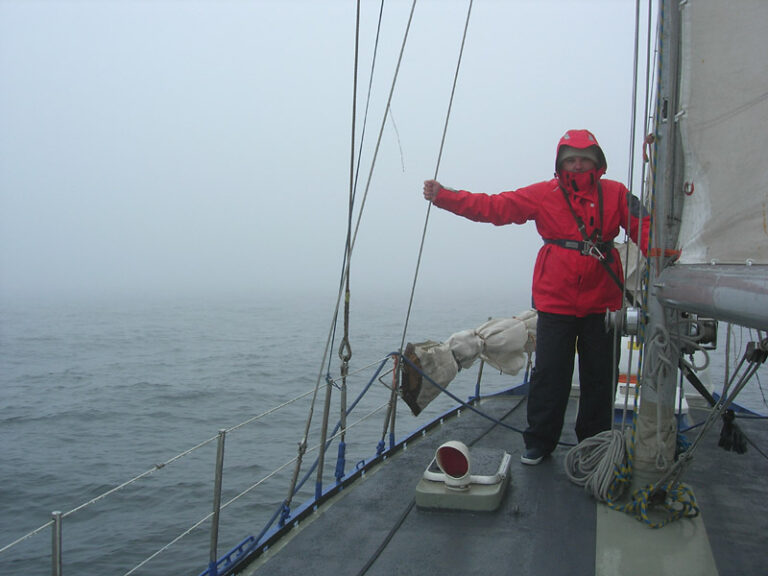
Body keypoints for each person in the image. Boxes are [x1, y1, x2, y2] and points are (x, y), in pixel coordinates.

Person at [422, 129, 650, 465]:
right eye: (570, 159)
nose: (577, 165)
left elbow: (646, 227)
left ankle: (595, 443)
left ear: (597, 163)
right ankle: (540, 442)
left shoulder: (616, 193)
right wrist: (445, 197)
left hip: (603, 302)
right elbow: (494, 207)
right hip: (556, 302)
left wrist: (667, 258)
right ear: (560, 163)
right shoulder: (545, 194)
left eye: (584, 159)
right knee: (550, 374)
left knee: (600, 377)